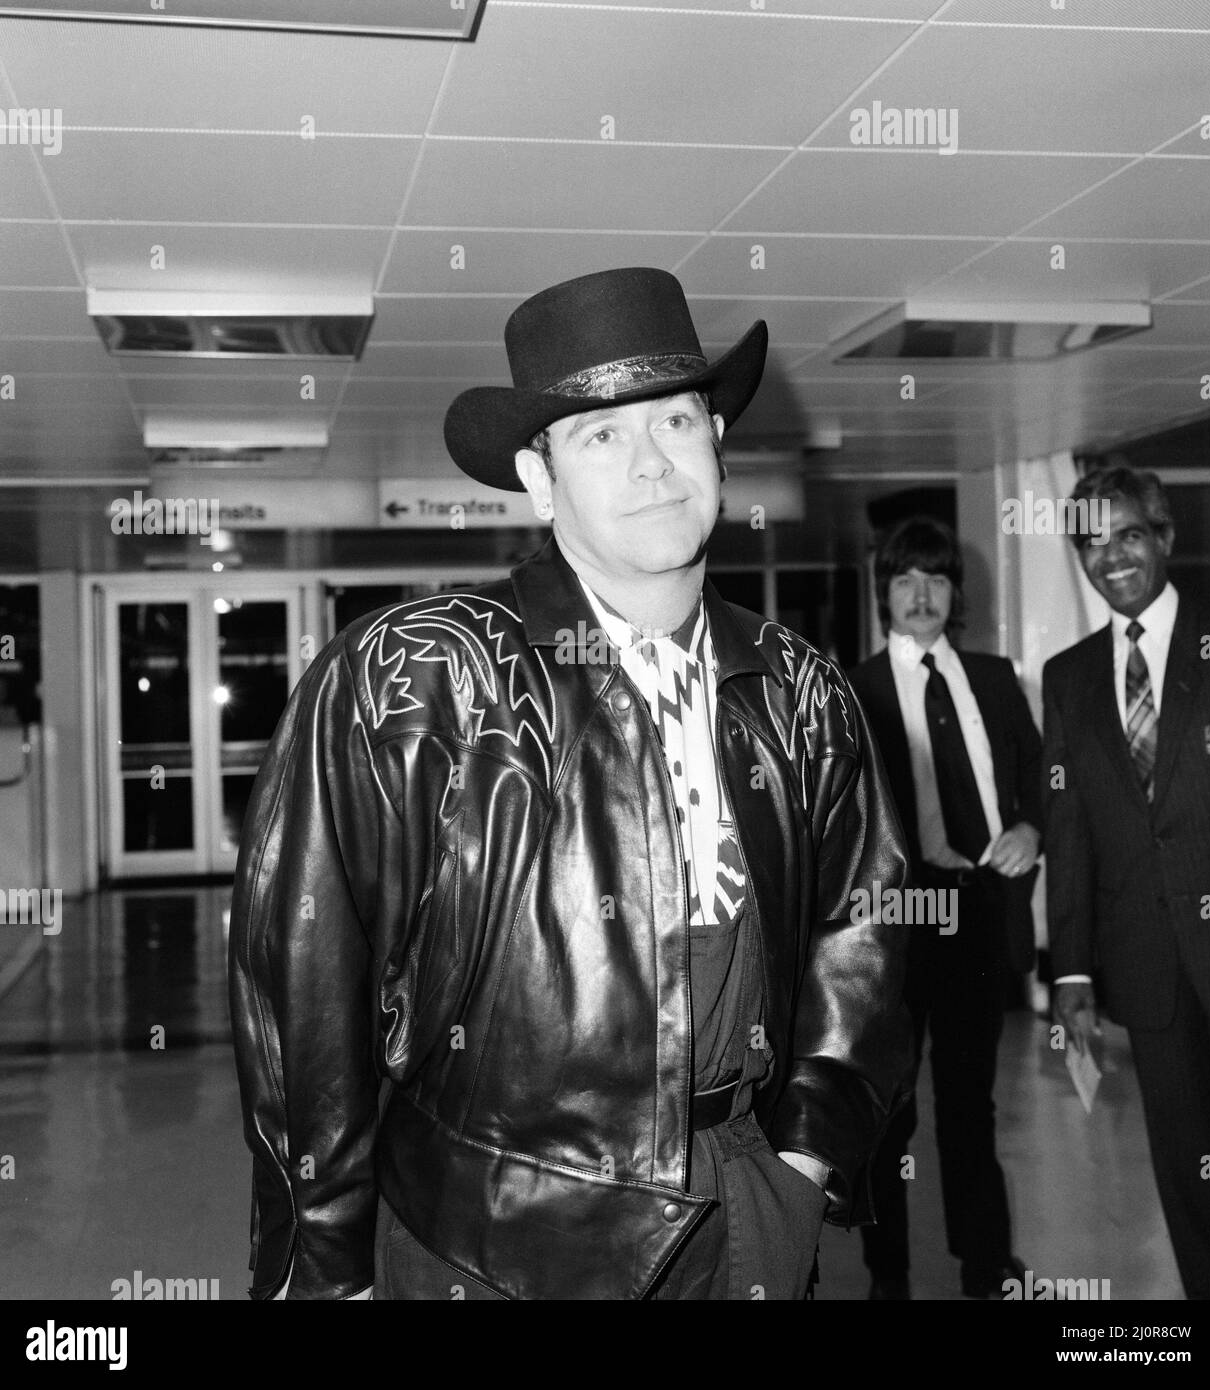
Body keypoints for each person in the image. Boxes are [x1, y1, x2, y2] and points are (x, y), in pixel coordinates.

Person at [228, 266, 912, 1301]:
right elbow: (303, 996)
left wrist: (801, 1169)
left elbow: (862, 936)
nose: (651, 465)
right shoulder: (417, 678)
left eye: (676, 421)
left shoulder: (799, 690)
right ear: (539, 481)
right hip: (489, 1240)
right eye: (600, 435)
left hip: (741, 1219)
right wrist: (321, 1271)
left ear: (718, 446)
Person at [1044, 465, 1210, 1300]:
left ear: (1163, 537)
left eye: (1127, 534)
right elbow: (1069, 831)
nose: (1110, 557)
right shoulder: (1068, 675)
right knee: (1190, 1171)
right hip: (1146, 968)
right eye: (1091, 541)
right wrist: (1072, 970)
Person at [851, 517, 1041, 1300]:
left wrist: (1031, 826)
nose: (922, 594)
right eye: (905, 580)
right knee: (886, 1114)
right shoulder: (853, 689)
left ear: (954, 592)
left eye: (935, 577)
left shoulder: (994, 680)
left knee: (971, 1103)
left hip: (975, 913)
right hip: (896, 924)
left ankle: (985, 1267)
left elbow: (1038, 783)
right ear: (884, 596)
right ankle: (886, 1276)